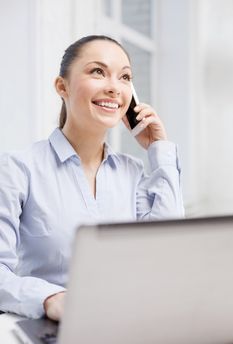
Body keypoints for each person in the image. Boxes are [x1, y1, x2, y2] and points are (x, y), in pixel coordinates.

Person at [0, 35, 184, 321]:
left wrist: (158, 149)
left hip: (127, 321)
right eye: (98, 71)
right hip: (50, 326)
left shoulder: (132, 172)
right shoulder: (18, 169)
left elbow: (165, 251)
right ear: (62, 86)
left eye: (125, 77)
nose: (113, 87)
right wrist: (50, 298)